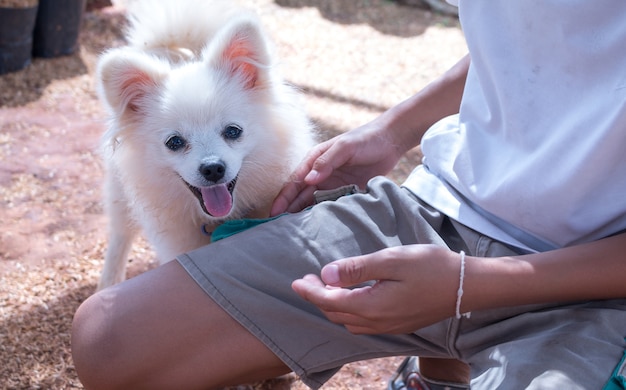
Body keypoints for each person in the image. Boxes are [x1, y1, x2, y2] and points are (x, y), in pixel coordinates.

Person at [71, 1, 626, 389]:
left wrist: (467, 285)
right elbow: (525, 42)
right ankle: (439, 363)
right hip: (437, 208)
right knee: (107, 343)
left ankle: (441, 363)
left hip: (588, 280)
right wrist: (394, 129)